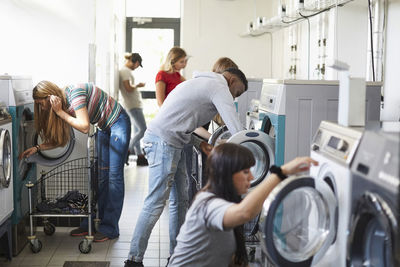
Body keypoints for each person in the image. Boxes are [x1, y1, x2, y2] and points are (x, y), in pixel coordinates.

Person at [124, 68, 249, 267]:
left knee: (179, 201)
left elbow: (180, 121)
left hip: (172, 141)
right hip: (163, 142)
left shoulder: (203, 82)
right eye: (237, 92)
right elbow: (236, 128)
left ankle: (176, 257)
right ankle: (133, 260)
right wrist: (250, 147)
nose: (234, 97)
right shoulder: (219, 85)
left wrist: (200, 143)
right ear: (232, 79)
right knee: (156, 201)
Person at [168, 143, 318, 267]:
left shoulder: (225, 201)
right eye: (246, 172)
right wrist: (280, 173)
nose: (251, 177)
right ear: (227, 173)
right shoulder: (207, 203)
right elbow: (245, 212)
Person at [20, 81, 130, 242]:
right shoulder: (62, 105)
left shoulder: (75, 94)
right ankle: (89, 224)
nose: (42, 108)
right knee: (102, 178)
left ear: (50, 96)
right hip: (103, 128)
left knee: (114, 178)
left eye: (41, 104)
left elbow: (85, 127)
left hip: (118, 122)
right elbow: (61, 141)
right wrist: (37, 148)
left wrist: (59, 112)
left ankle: (110, 228)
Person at [119, 52, 148, 166]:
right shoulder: (125, 71)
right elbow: (128, 88)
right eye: (138, 65)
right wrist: (138, 85)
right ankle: (127, 149)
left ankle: (140, 157)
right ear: (136, 62)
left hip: (134, 105)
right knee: (143, 130)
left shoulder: (126, 71)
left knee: (137, 131)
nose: (137, 67)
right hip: (133, 105)